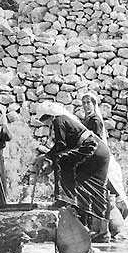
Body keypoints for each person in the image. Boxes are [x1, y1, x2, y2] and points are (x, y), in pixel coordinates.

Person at [36, 101, 111, 242]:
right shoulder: (65, 121)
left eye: (43, 120)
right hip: (99, 150)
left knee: (61, 160)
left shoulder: (58, 120)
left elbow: (61, 146)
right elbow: (67, 147)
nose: (44, 123)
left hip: (91, 148)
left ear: (48, 116)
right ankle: (102, 231)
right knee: (94, 189)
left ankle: (64, 198)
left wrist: (47, 157)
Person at [81, 92, 128, 220]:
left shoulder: (95, 120)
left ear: (94, 104)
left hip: (96, 156)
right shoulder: (86, 119)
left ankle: (111, 218)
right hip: (88, 156)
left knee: (107, 187)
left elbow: (96, 140)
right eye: (84, 103)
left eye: (88, 103)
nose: (86, 106)